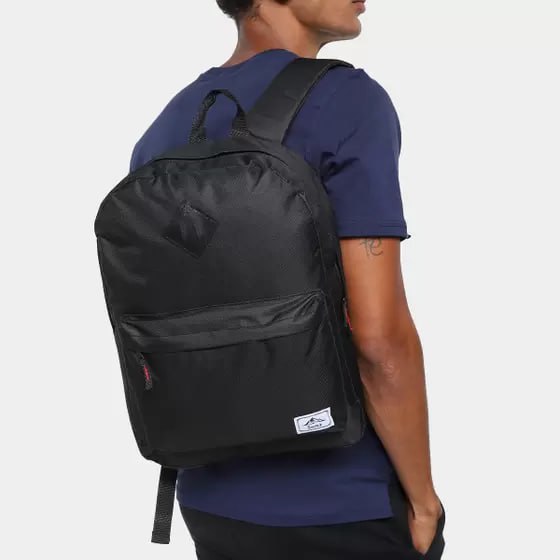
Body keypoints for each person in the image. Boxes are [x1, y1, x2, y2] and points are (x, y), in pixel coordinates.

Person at [130, 1, 445, 558]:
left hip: (211, 501)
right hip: (342, 504)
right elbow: (378, 339)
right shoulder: (347, 100)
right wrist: (423, 501)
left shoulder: (166, 126)